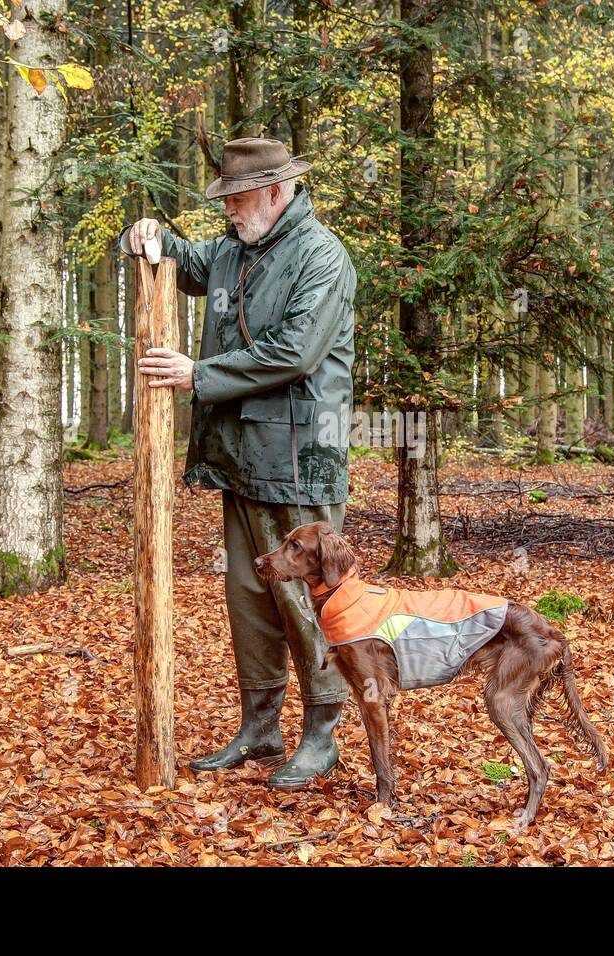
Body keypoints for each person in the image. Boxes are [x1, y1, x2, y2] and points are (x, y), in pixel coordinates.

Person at [118, 138, 356, 788]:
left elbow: (295, 351)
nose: (228, 210)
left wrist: (200, 374)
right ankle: (258, 729)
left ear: (277, 194)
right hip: (241, 462)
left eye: (239, 198)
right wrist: (146, 234)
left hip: (301, 460)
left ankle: (321, 733)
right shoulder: (233, 251)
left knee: (306, 606)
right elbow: (183, 259)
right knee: (250, 600)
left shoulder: (322, 256)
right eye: (224, 199)